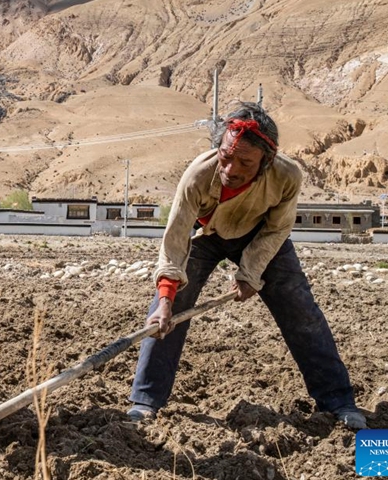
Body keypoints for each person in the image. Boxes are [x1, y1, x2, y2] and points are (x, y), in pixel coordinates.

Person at [127, 102, 366, 430]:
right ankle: (145, 400)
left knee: (300, 310)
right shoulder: (198, 174)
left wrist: (250, 272)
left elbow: (277, 229)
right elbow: (176, 239)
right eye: (226, 155)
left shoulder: (287, 175)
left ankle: (338, 400)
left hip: (261, 236)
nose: (230, 169)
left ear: (265, 162)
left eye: (245, 162)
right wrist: (166, 296)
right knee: (167, 310)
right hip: (207, 233)